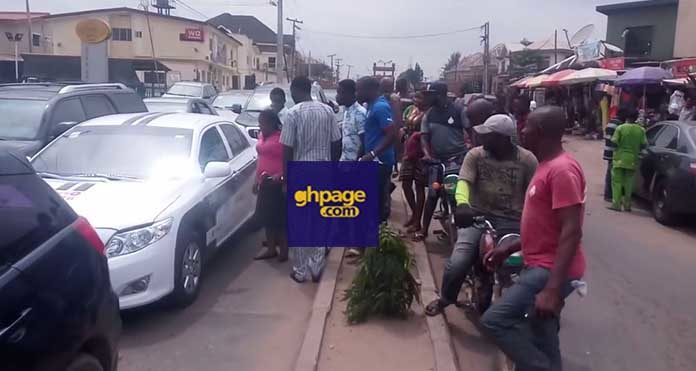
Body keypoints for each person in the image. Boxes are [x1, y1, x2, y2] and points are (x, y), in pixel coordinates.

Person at [480, 106, 586, 371]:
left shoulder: (562, 171)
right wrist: (509, 248)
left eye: (525, 127)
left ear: (538, 132)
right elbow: (544, 227)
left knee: (495, 320)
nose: (521, 131)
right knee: (543, 335)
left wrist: (551, 289)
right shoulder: (545, 166)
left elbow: (571, 230)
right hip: (539, 261)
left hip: (548, 269)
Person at [424, 114, 538, 316]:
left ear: (503, 138)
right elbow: (464, 182)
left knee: (531, 265)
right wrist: (463, 204)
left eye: (488, 135)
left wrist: (535, 219)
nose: (482, 139)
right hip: (478, 218)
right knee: (458, 262)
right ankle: (446, 298)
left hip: (514, 221)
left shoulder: (527, 160)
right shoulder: (475, 155)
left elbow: (535, 193)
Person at [280, 76, 342, 283]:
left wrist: (286, 179)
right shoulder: (327, 111)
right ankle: (316, 267)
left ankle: (300, 270)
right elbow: (336, 142)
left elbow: (287, 149)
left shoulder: (292, 114)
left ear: (296, 90)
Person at [417, 81, 469, 242]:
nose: (426, 98)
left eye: (429, 94)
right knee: (433, 195)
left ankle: (465, 234)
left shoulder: (459, 110)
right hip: (437, 161)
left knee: (459, 196)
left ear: (438, 95)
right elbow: (424, 137)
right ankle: (423, 230)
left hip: (457, 160)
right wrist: (426, 154)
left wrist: (470, 150)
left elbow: (470, 132)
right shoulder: (429, 114)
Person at [356, 76, 398, 224]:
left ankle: (378, 237)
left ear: (369, 90)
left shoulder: (380, 107)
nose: (357, 94)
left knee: (377, 204)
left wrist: (373, 154)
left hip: (380, 163)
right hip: (372, 161)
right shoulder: (371, 106)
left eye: (358, 90)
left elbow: (392, 134)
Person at [336, 79, 367, 258]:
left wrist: (356, 164)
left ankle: (358, 245)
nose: (338, 96)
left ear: (350, 94)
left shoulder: (360, 113)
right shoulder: (347, 112)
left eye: (340, 93)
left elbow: (364, 142)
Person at [253, 109, 288, 262]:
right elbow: (260, 159)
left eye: (263, 124)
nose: (261, 127)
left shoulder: (281, 139)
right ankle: (271, 249)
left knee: (280, 219)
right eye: (259, 123)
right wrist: (256, 180)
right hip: (264, 183)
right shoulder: (261, 136)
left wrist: (281, 175)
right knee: (267, 218)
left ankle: (284, 251)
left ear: (272, 123)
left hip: (277, 184)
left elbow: (289, 160)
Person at [400, 90, 430, 235]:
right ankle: (414, 213)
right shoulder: (412, 110)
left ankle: (418, 221)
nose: (416, 100)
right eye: (415, 98)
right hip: (408, 150)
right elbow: (407, 126)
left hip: (420, 153)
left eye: (419, 98)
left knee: (419, 187)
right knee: (405, 183)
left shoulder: (429, 114)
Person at [609, 107, 647, 212]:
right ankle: (627, 205)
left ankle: (616, 204)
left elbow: (614, 142)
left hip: (619, 158)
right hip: (632, 160)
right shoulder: (641, 130)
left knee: (617, 182)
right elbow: (644, 144)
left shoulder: (620, 128)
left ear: (626, 117)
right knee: (629, 183)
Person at [603, 107, 625, 202]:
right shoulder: (619, 125)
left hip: (608, 150)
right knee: (612, 174)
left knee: (610, 173)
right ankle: (609, 194)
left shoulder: (611, 122)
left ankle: (608, 194)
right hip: (614, 152)